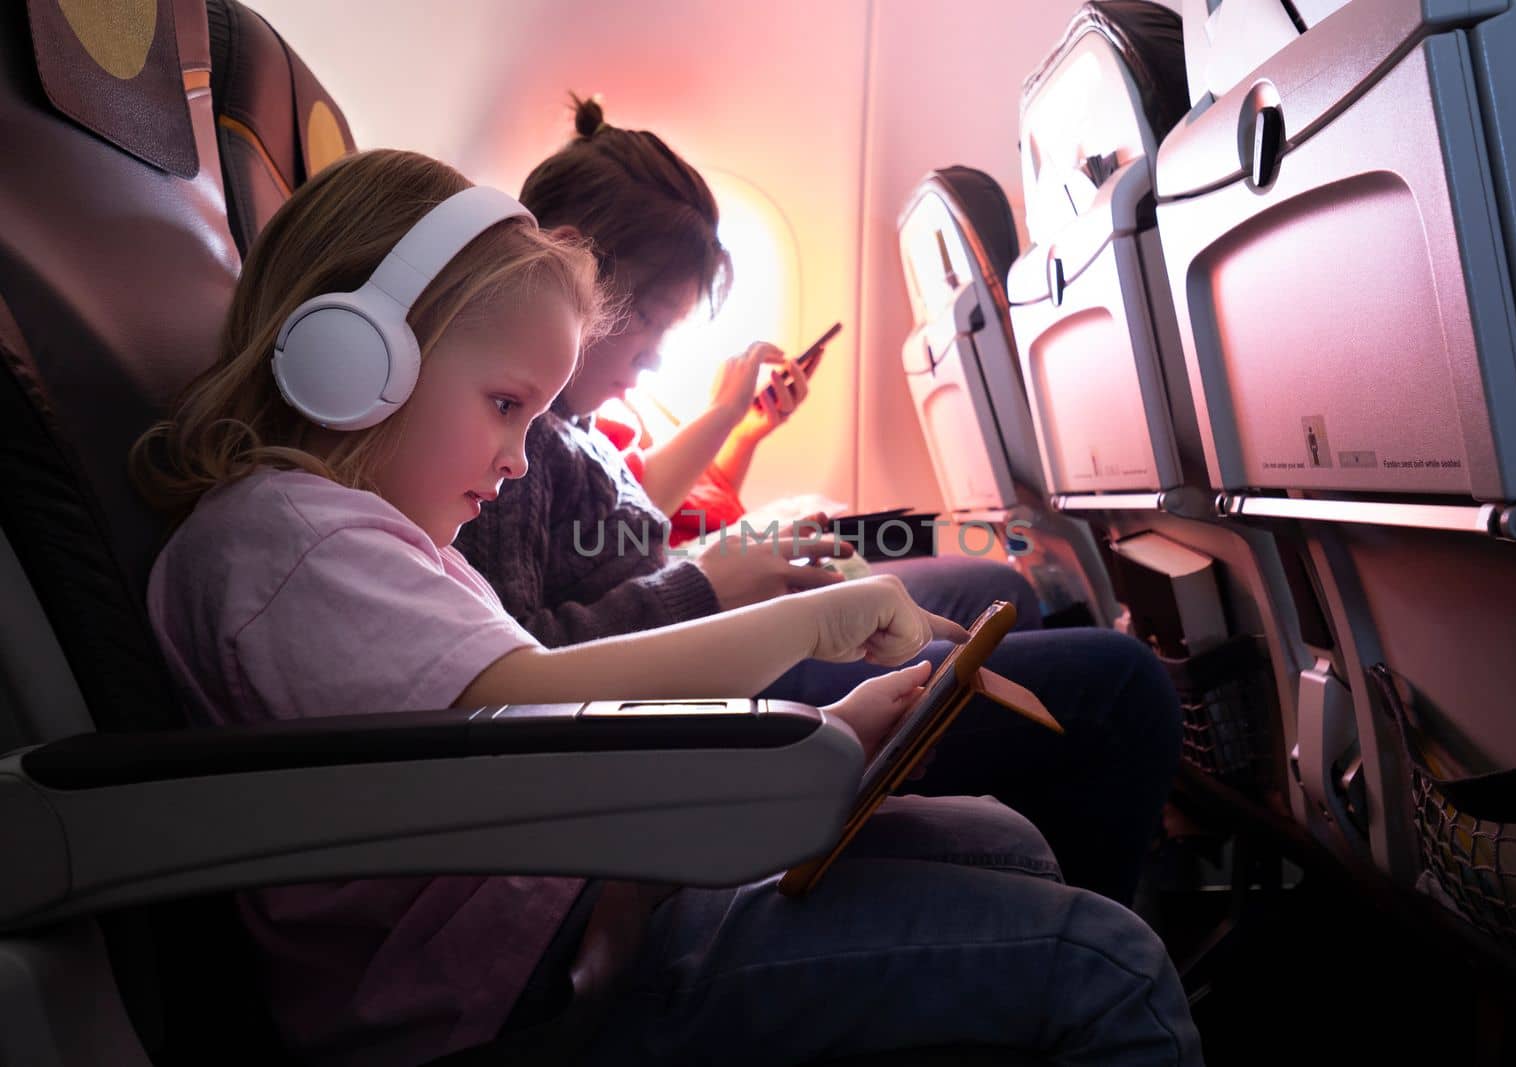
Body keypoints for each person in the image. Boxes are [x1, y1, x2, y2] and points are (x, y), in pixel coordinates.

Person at [131, 148, 1201, 1067]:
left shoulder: (358, 537)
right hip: (505, 989)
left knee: (1002, 840)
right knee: (1107, 964)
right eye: (505, 407)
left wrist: (824, 736)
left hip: (564, 903)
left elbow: (550, 736)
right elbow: (524, 711)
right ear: (350, 362)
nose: (514, 458)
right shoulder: (286, 540)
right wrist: (808, 625)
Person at [455, 98, 1182, 905]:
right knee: (1120, 684)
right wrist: (713, 582)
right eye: (651, 324)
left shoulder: (574, 423)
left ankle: (1015, 875)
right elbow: (529, 666)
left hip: (707, 639)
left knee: (998, 589)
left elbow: (619, 541)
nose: (657, 358)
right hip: (698, 686)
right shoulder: (509, 436)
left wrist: (733, 558)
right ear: (572, 275)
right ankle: (1078, 923)